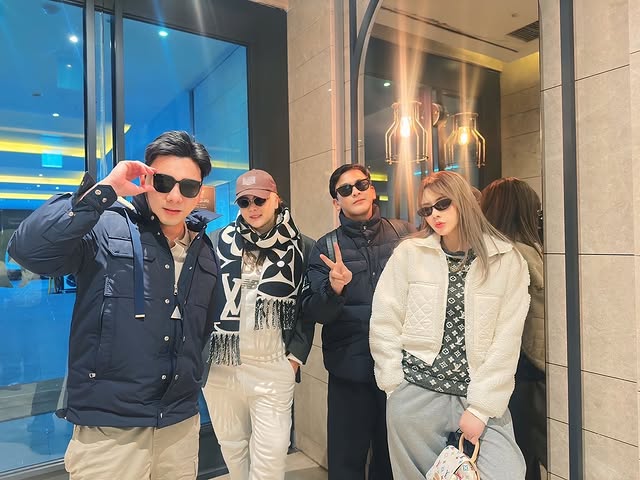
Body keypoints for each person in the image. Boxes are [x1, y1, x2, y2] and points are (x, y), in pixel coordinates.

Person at [8, 130, 219, 480]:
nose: (174, 195)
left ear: (198, 193)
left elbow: (203, 328)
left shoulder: (204, 250)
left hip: (179, 429)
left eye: (188, 187)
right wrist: (103, 191)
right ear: (146, 180)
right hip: (110, 432)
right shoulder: (105, 227)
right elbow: (27, 251)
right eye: (164, 182)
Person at [369, 170, 529, 479]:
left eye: (442, 204)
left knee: (507, 471)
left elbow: (508, 339)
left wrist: (481, 409)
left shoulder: (506, 260)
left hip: (478, 392)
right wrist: (394, 385)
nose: (435, 215)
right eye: (426, 209)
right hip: (416, 391)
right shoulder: (410, 254)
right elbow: (385, 319)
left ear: (463, 201)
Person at [202, 169, 315, 480]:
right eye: (244, 202)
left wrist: (293, 359)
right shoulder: (216, 241)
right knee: (232, 447)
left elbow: (306, 310)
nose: (252, 207)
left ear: (276, 199)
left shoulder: (302, 247)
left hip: (272, 366)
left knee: (272, 455)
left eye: (260, 200)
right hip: (222, 366)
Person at [303, 164, 415, 480]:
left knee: (391, 460)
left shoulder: (404, 235)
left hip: (399, 368)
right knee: (346, 462)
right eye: (345, 189)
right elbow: (316, 313)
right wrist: (335, 288)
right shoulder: (326, 248)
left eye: (361, 184)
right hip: (349, 370)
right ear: (336, 201)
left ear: (372, 189)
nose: (355, 192)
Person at [481, 177, 546, 480]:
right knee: (526, 454)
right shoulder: (524, 253)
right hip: (527, 368)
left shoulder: (495, 255)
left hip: (509, 369)